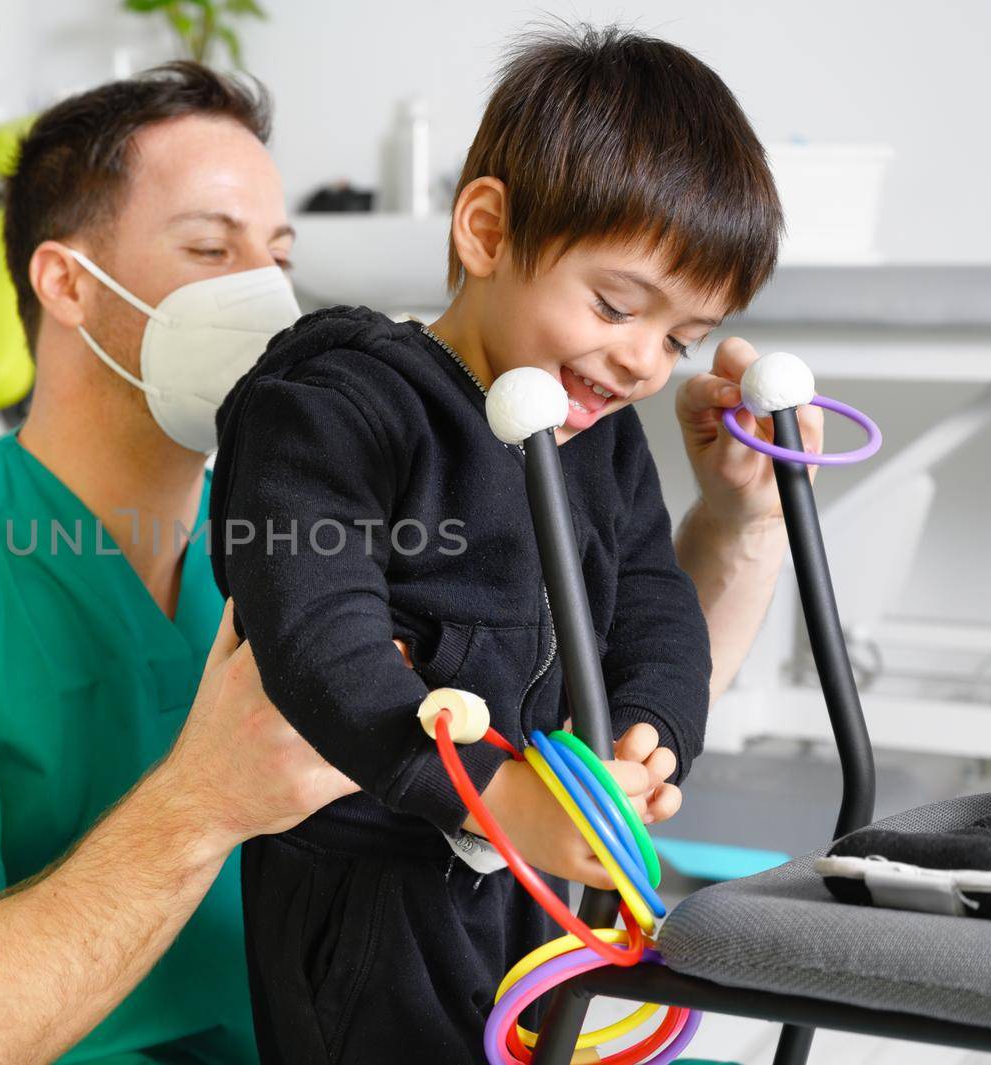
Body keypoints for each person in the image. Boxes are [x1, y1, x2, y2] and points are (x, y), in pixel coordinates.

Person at [0, 60, 822, 1065]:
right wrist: (204, 799)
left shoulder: (331, 522)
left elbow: (587, 688)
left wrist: (744, 523)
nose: (263, 293)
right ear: (66, 287)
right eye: (211, 251)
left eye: (280, 254)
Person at [210, 27, 784, 1062]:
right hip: (368, 893)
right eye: (616, 305)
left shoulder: (596, 440)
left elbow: (651, 599)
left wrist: (653, 733)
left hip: (530, 879)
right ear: (484, 231)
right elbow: (315, 634)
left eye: (681, 339)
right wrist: (495, 795)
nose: (644, 361)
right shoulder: (333, 406)